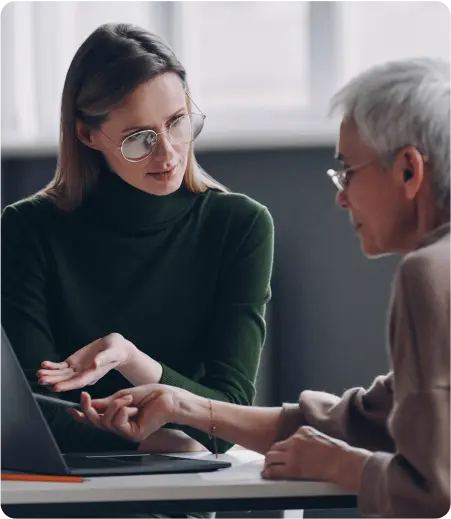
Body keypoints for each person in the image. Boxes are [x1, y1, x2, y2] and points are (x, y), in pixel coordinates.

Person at [72, 56, 451, 519]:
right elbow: (361, 421)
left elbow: (437, 491)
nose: (340, 194)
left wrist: (343, 464)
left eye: (348, 170)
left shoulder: (429, 274)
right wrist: (183, 404)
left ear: (409, 171)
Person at [0, 21, 273, 519]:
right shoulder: (27, 229)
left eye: (178, 122)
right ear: (88, 134)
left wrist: (130, 358)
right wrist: (164, 436)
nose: (168, 153)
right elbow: (30, 417)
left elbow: (228, 412)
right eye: (138, 139)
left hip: (179, 502)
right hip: (57, 498)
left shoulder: (239, 226)